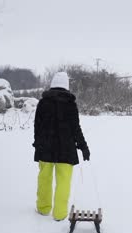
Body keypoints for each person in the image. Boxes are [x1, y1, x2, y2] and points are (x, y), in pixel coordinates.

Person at [33, 72, 90, 221]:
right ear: (67, 86)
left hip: (45, 147)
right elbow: (76, 128)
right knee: (63, 181)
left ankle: (43, 208)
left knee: (44, 178)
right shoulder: (70, 104)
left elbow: (37, 126)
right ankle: (59, 214)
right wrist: (83, 147)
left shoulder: (43, 103)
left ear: (52, 84)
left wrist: (37, 143)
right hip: (66, 149)